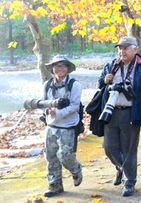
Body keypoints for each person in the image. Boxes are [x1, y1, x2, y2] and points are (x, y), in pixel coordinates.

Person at [98, 36, 141, 197]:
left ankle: (129, 181)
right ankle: (120, 168)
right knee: (108, 147)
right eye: (120, 48)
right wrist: (105, 79)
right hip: (111, 113)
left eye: (125, 48)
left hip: (131, 113)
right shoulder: (112, 65)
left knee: (129, 150)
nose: (122, 51)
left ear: (135, 49)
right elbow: (100, 84)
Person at [43, 55, 83, 197]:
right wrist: (47, 111)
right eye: (57, 66)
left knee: (65, 155)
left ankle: (76, 170)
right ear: (52, 68)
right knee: (51, 156)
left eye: (63, 65)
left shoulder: (75, 85)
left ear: (67, 68)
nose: (60, 69)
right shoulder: (47, 85)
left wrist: (57, 112)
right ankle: (55, 186)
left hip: (68, 125)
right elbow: (43, 103)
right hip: (51, 126)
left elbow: (74, 106)